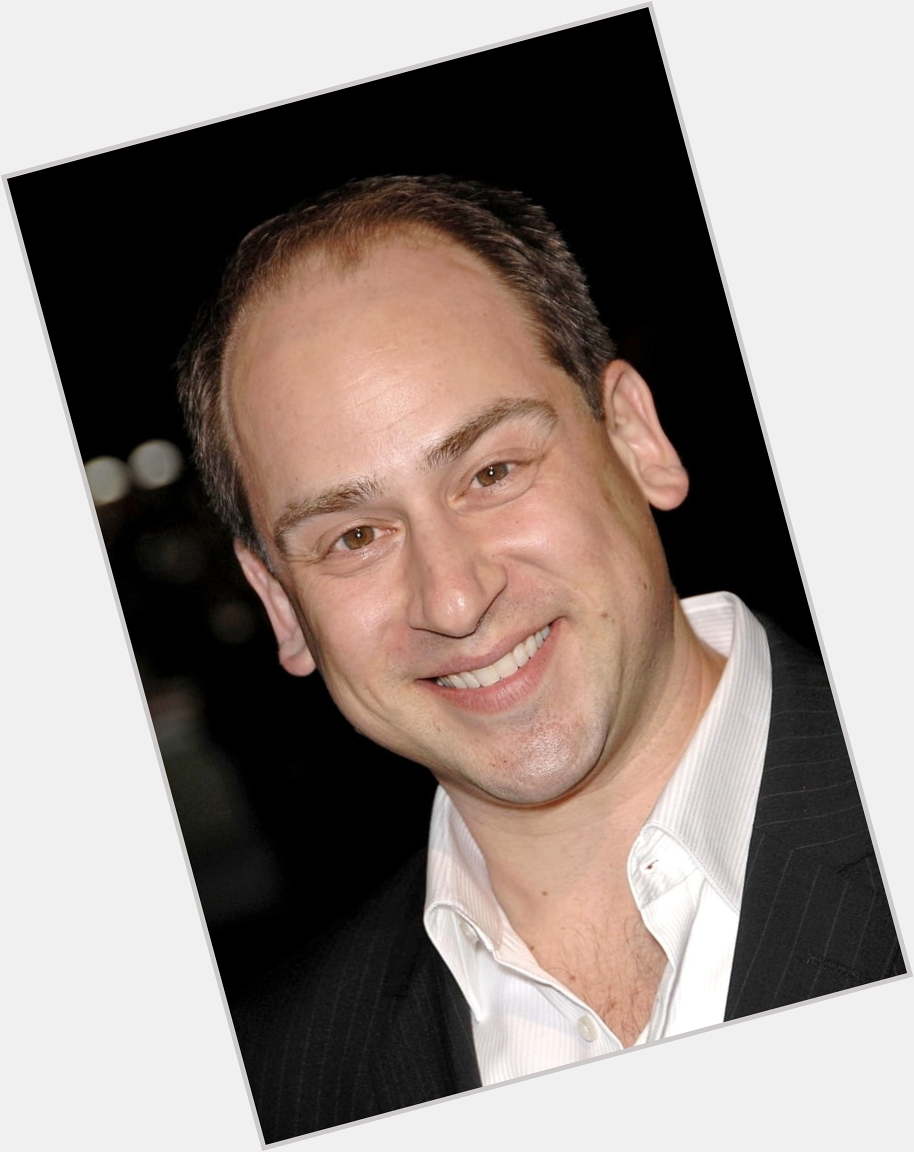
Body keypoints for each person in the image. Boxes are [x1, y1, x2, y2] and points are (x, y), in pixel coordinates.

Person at [177, 175, 903, 1142]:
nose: (453, 598)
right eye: (354, 536)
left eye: (492, 471)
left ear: (636, 438)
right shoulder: (278, 1084)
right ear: (281, 603)